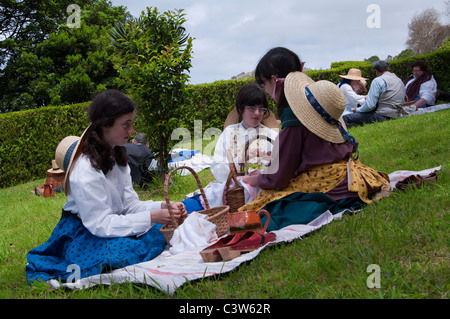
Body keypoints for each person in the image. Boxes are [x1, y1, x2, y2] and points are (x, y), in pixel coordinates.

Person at [26, 89, 186, 284]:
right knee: (126, 251)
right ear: (104, 125)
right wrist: (151, 217)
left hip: (109, 223)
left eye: (132, 123)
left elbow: (129, 205)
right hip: (83, 230)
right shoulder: (85, 169)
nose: (132, 131)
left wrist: (160, 207)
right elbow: (100, 224)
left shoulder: (117, 156)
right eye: (126, 124)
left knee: (156, 234)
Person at [239, 47, 390, 232]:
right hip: (350, 178)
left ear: (273, 80)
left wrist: (256, 179)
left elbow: (280, 176)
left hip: (332, 188)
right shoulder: (314, 102)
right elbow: (306, 150)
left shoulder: (293, 114)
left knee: (267, 213)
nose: (265, 90)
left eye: (264, 83)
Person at [183, 84, 279, 211]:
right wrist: (241, 159)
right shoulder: (229, 133)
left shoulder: (271, 135)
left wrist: (268, 164)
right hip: (234, 193)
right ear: (240, 109)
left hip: (263, 191)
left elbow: (280, 169)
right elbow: (217, 169)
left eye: (261, 109)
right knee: (191, 205)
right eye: (251, 108)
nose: (257, 113)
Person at [343, 60, 405, 127]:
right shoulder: (398, 79)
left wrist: (357, 110)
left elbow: (370, 105)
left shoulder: (378, 80)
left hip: (382, 116)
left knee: (346, 118)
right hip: (396, 115)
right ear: (388, 68)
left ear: (376, 71)